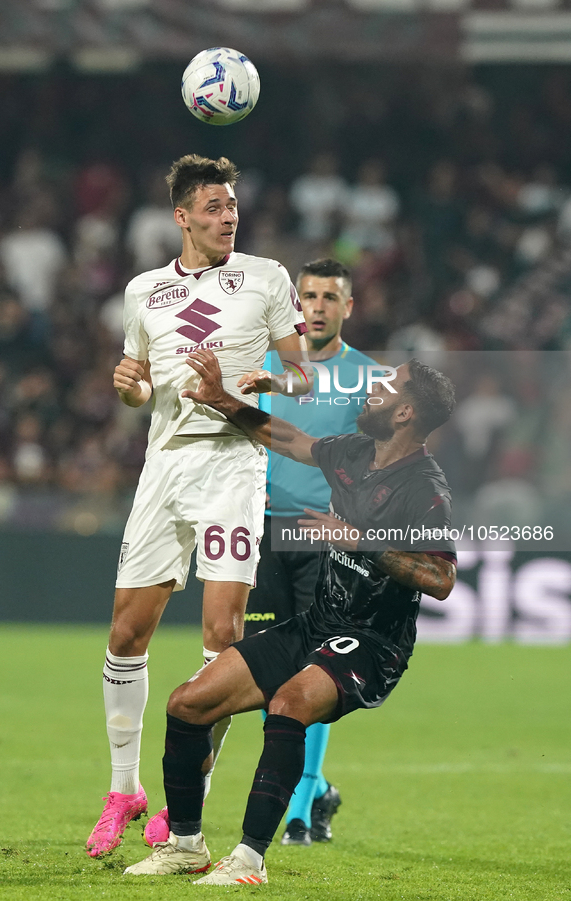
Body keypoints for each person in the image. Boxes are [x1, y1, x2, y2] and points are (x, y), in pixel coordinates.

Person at [122, 348, 457, 884]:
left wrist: (365, 542)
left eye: (387, 385)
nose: (373, 388)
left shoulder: (424, 487)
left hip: (373, 643)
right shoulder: (354, 452)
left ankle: (249, 860)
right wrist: (222, 401)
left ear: (405, 413)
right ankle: (185, 845)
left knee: (288, 705)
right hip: (317, 625)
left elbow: (441, 578)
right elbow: (289, 440)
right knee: (187, 703)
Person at [86, 154, 311, 858]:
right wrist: (127, 385)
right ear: (181, 215)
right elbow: (138, 389)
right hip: (165, 468)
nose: (227, 216)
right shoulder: (144, 291)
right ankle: (124, 788)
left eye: (232, 206)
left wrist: (268, 377)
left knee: (223, 631)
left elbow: (303, 375)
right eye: (213, 207)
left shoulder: (267, 277)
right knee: (126, 632)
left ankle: (191, 801)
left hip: (233, 464)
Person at [245, 257, 375, 846]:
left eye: (330, 297)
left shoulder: (370, 381)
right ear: (295, 304)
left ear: (349, 307)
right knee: (261, 673)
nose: (318, 306)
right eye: (309, 296)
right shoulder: (267, 366)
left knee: (315, 670)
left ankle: (301, 804)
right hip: (264, 532)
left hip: (326, 538)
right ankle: (315, 790)